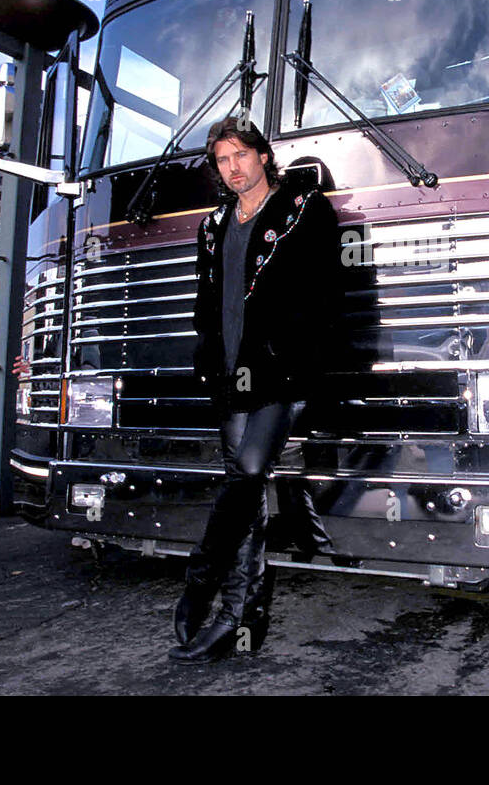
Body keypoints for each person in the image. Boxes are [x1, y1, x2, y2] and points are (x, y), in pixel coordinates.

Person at [168, 115, 342, 664]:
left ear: (263, 157)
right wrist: (208, 351)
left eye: (241, 154)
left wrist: (286, 351)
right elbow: (205, 304)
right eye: (222, 159)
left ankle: (201, 579)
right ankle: (242, 615)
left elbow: (326, 297)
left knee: (246, 474)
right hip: (230, 374)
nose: (233, 167)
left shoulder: (304, 211)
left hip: (282, 373)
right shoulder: (213, 224)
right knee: (242, 492)